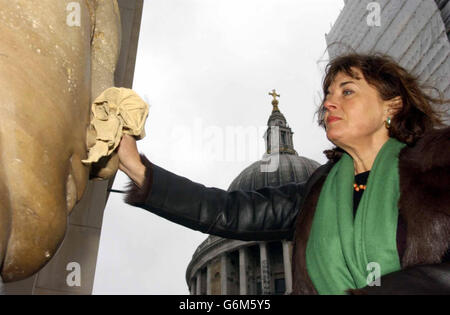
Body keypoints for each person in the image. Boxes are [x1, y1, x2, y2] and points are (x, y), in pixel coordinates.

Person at [117, 53, 450, 295]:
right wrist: (138, 168)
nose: (330, 104)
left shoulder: (439, 166)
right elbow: (226, 210)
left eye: (346, 91)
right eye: (328, 95)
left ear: (392, 105)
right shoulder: (317, 192)